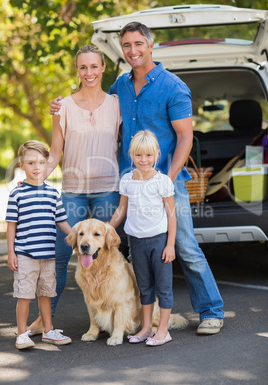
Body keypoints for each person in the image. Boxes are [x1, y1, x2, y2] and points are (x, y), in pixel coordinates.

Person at [50, 22, 224, 335]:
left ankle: (211, 310)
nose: (133, 50)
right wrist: (63, 106)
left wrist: (167, 180)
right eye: (127, 45)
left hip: (166, 183)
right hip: (128, 183)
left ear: (150, 46)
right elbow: (95, 103)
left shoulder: (173, 87)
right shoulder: (121, 85)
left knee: (183, 246)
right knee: (131, 250)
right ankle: (138, 318)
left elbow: (185, 137)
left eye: (138, 44)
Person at [28, 45, 127, 336]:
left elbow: (126, 146)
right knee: (58, 255)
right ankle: (44, 320)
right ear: (77, 70)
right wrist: (37, 178)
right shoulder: (64, 108)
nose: (89, 73)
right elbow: (56, 152)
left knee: (111, 255)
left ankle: (117, 315)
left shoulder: (117, 104)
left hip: (108, 189)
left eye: (94, 66)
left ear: (102, 68)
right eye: (83, 67)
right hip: (72, 191)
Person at [110, 130, 176, 346]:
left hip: (159, 242)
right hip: (136, 242)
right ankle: (147, 328)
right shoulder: (127, 180)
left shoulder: (162, 181)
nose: (144, 160)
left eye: (148, 155)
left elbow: (171, 215)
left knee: (163, 287)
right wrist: (107, 229)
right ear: (130, 154)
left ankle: (163, 330)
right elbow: (121, 210)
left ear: (157, 154)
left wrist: (170, 244)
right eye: (139, 155)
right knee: (144, 287)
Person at [6, 140, 72, 349]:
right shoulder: (17, 194)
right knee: (24, 295)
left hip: (47, 255)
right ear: (22, 165)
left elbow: (61, 221)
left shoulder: (53, 194)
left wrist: (78, 238)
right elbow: (11, 226)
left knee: (46, 293)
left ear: (47, 165)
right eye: (31, 162)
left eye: (41, 162)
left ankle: (48, 330)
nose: (36, 167)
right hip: (25, 254)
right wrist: (11, 253)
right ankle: (22, 333)